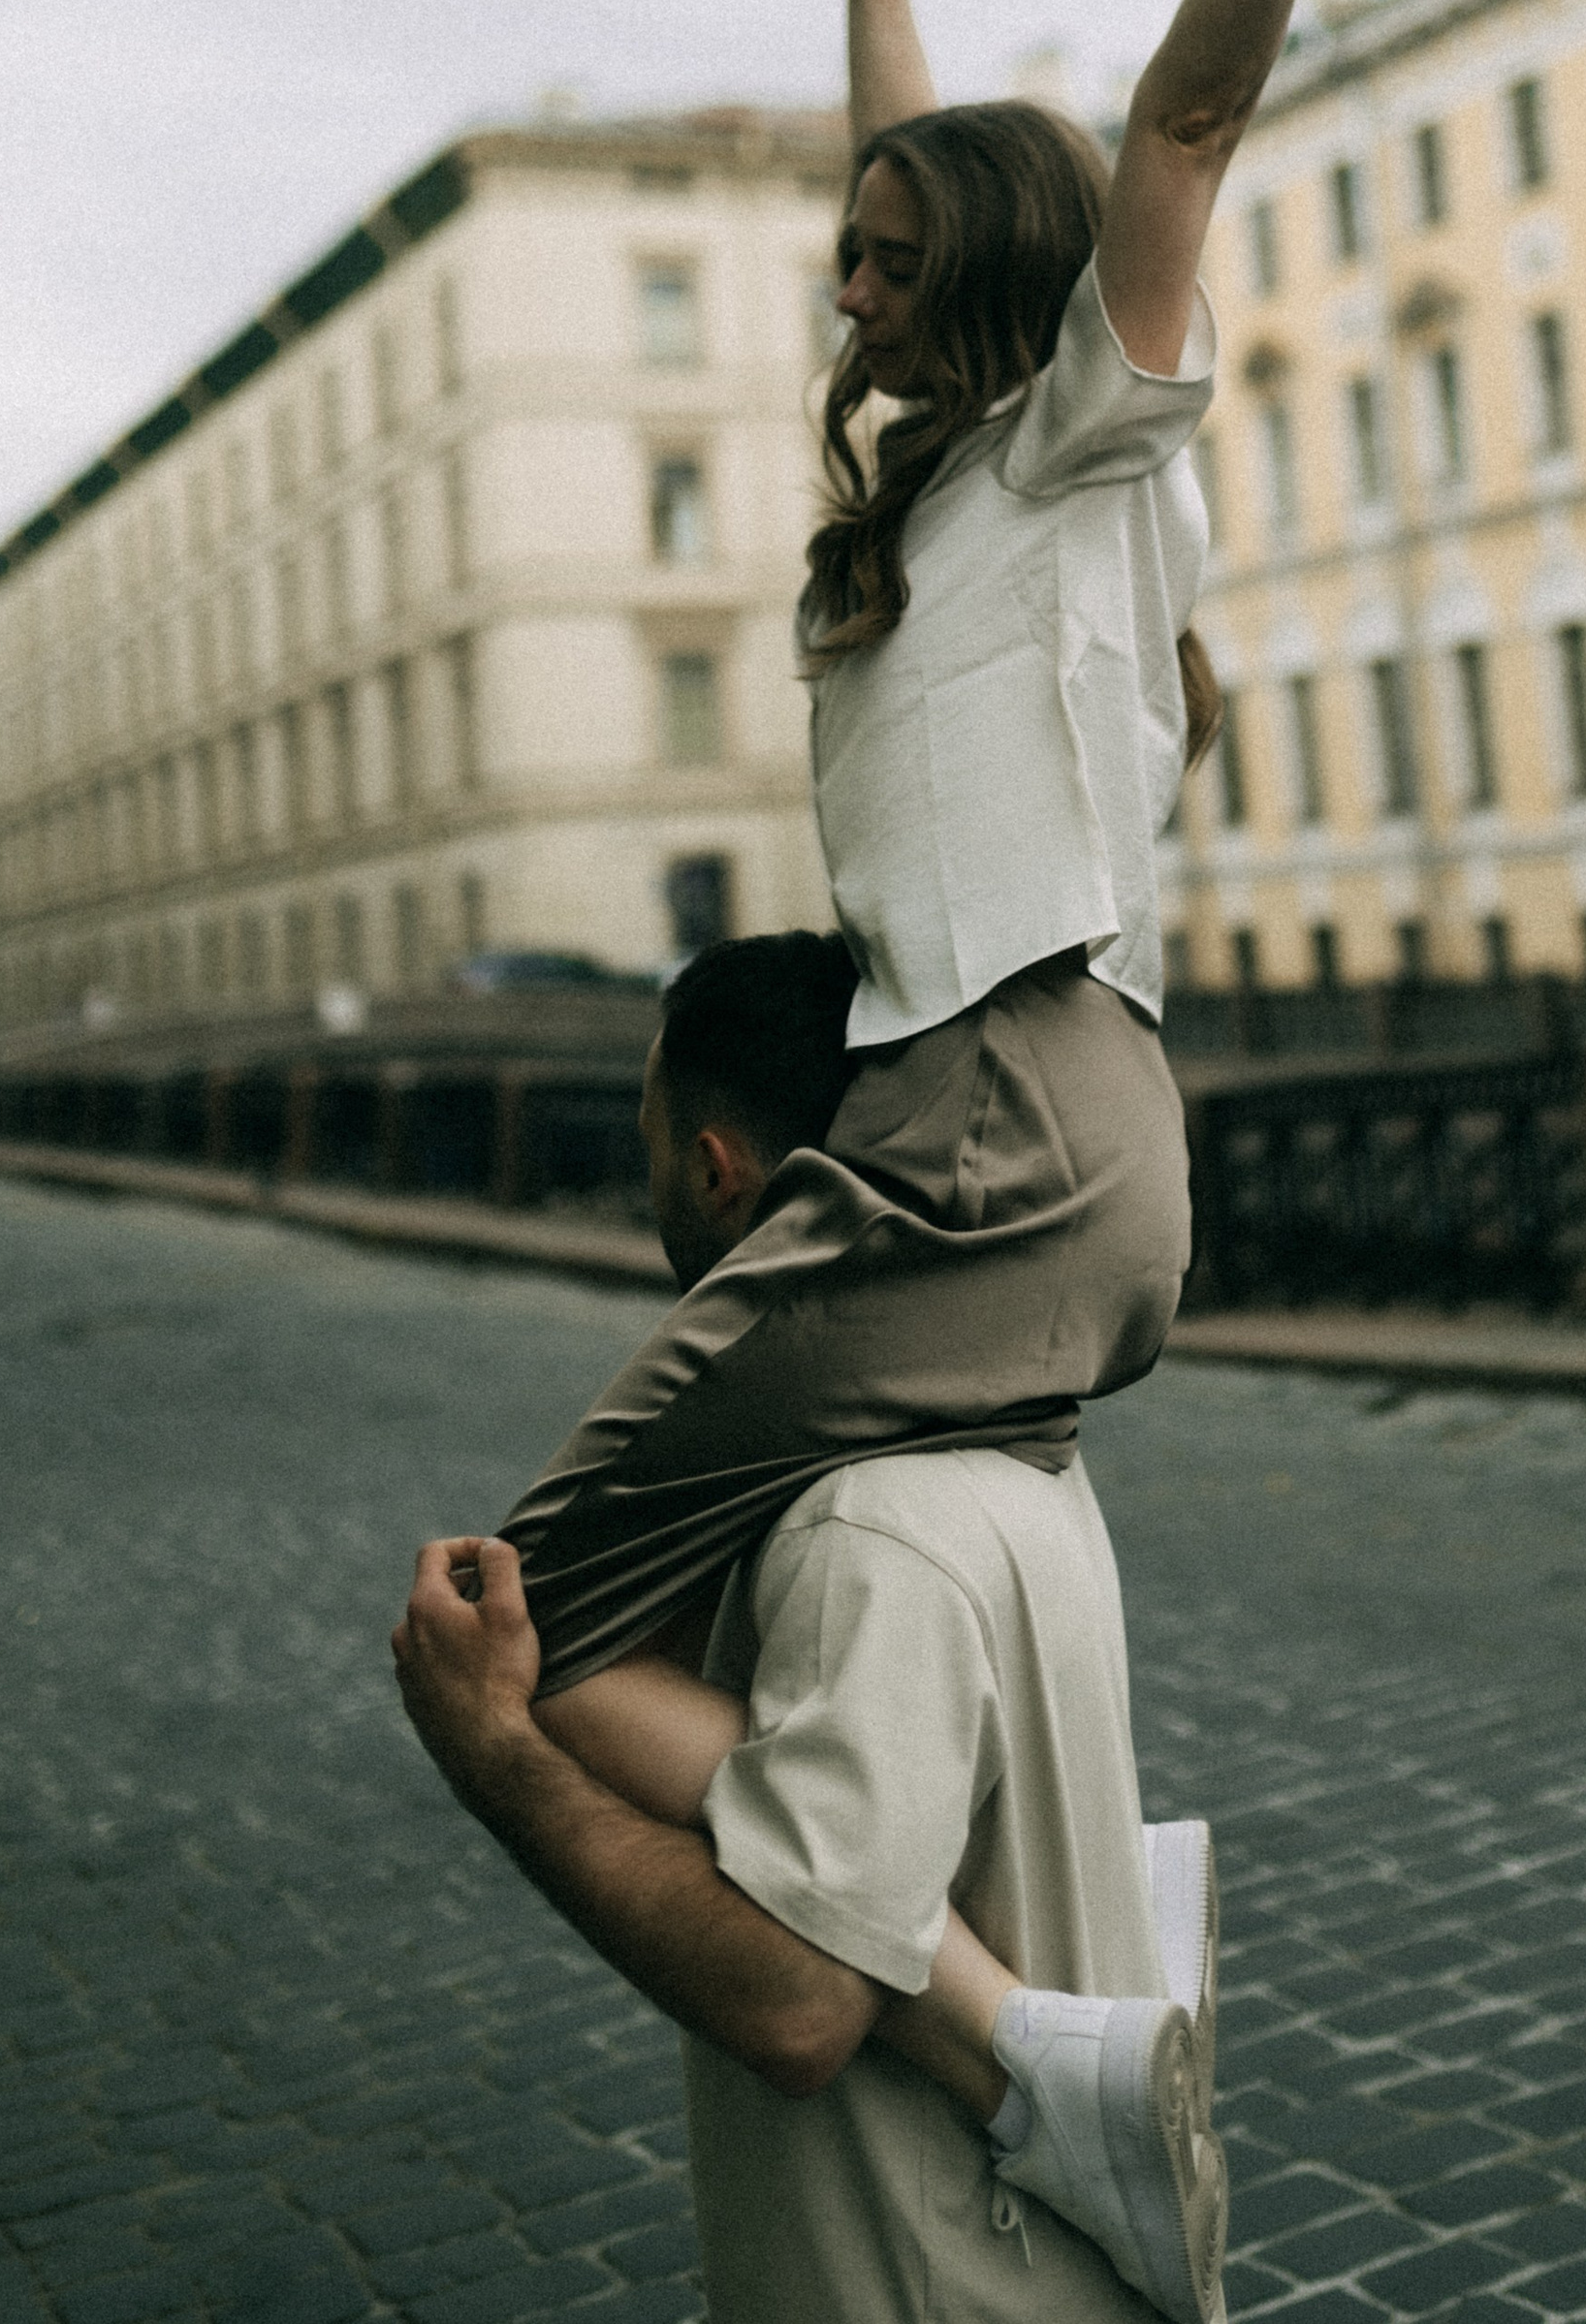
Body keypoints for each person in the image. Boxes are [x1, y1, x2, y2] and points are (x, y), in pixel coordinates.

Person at [491, 0, 1586, 2297]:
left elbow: (1178, 123)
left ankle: (1014, 2059)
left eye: (882, 267)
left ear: (982, 291)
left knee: (527, 1620)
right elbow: (931, 142)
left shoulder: (1083, 451)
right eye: (841, 259)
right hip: (1015, 1130)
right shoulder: (951, 500)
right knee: (743, 1574)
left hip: (1009, 1118)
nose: (843, 293)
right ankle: (1037, 2024)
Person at [397, 928, 1221, 2320]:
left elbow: (799, 2004)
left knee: (549, 1629)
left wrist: (497, 1760)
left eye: (659, 1142)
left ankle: (1028, 2066)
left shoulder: (863, 1533)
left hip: (944, 2284)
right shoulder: (1028, 1435)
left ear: (719, 1169)